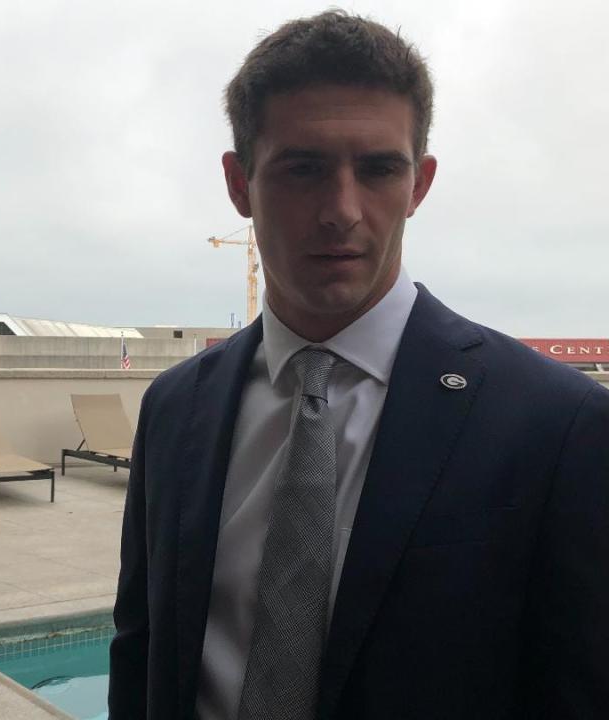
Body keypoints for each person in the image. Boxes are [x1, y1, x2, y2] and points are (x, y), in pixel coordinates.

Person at [108, 10, 609, 720]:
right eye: (303, 168)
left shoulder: (555, 425)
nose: (341, 210)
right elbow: (141, 653)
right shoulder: (174, 410)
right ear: (238, 183)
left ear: (420, 184)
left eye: (377, 170)